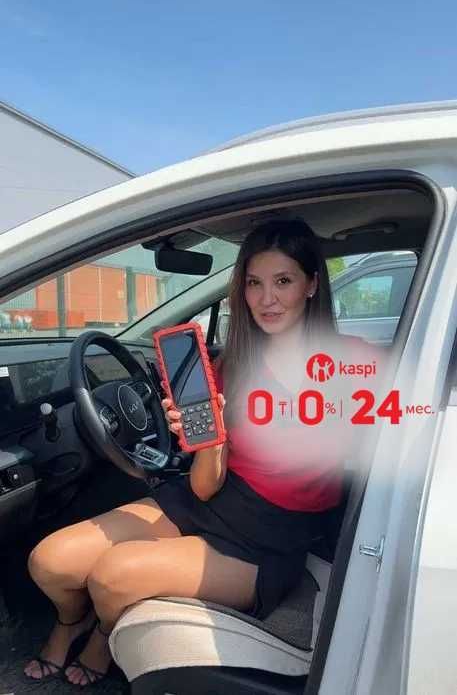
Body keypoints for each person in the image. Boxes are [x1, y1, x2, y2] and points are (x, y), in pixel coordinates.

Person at [23, 219, 381, 687]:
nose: (266, 299)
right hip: (211, 500)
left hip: (272, 538)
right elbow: (205, 486)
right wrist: (210, 441)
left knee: (112, 576)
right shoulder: (231, 364)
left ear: (312, 285)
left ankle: (103, 635)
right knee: (50, 561)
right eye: (254, 283)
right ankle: (72, 622)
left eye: (283, 281)